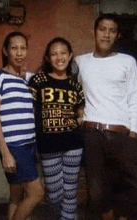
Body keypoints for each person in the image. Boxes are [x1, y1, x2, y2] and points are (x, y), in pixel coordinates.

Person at [75, 13, 137, 219]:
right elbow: (69, 90)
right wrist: (78, 113)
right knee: (97, 194)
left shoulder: (127, 61)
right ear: (94, 33)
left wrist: (133, 132)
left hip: (122, 134)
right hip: (92, 134)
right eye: (103, 29)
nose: (107, 34)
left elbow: (135, 97)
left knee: (135, 187)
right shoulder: (80, 62)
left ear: (118, 35)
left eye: (112, 31)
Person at [0, 31, 44, 220]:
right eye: (14, 48)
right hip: (14, 146)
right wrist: (5, 152)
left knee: (16, 196)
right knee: (37, 193)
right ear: (6, 51)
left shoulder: (27, 79)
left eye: (23, 48)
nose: (19, 53)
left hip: (29, 144)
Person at [28, 37, 85, 220]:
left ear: (70, 56)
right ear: (47, 58)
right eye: (54, 53)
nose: (59, 57)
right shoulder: (38, 81)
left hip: (73, 144)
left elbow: (80, 112)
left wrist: (79, 118)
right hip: (48, 144)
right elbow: (30, 110)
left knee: (70, 191)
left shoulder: (75, 84)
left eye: (63, 53)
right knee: (54, 193)